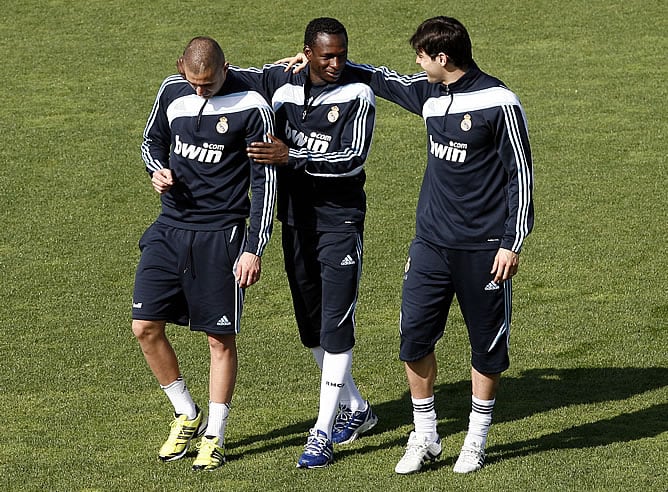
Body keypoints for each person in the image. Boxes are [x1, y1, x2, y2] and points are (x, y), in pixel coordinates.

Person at [283, 14, 534, 474]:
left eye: (421, 57)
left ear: (442, 58)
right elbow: (379, 79)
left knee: (486, 347)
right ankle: (426, 435)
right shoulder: (430, 94)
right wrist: (316, 64)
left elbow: (521, 174)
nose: (416, 65)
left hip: (485, 248)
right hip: (430, 246)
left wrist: (511, 242)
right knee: (414, 340)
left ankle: (475, 441)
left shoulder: (499, 102)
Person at [232, 17, 378, 468]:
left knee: (336, 323)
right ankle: (357, 409)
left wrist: (292, 156)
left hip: (339, 221)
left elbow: (351, 158)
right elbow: (228, 74)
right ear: (307, 52)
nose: (337, 63)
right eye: (327, 55)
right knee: (311, 325)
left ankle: (321, 431)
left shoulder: (358, 94)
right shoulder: (282, 81)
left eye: (342, 54)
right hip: (294, 219)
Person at [132, 36, 276, 471]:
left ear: (225, 68)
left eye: (209, 84)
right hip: (170, 228)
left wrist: (253, 249)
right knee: (144, 326)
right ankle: (185, 414)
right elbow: (150, 140)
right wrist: (156, 169)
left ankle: (215, 433)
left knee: (219, 338)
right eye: (193, 83)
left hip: (221, 235)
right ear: (182, 68)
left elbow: (265, 183)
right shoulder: (171, 90)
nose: (200, 91)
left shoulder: (252, 106)